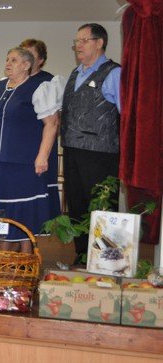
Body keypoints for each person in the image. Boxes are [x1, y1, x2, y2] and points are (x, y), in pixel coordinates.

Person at [0, 47, 60, 253]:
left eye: (14, 60)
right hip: (0, 163)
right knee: (2, 210)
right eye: (7, 59)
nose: (8, 63)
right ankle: (5, 257)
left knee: (23, 210)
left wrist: (42, 156)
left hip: (24, 163)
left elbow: (51, 123)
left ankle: (27, 259)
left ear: (26, 65)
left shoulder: (38, 88)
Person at [61, 23, 121, 264]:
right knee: (76, 203)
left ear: (99, 43)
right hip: (72, 149)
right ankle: (83, 254)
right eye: (76, 41)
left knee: (101, 205)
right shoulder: (75, 73)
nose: (78, 45)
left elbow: (128, 115)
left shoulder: (114, 73)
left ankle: (105, 257)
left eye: (84, 40)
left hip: (101, 153)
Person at [19, 38, 65, 220]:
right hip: (18, 147)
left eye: (30, 55)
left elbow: (55, 120)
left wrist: (43, 152)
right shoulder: (10, 82)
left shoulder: (50, 82)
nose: (25, 59)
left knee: (39, 188)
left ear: (40, 60)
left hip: (40, 145)